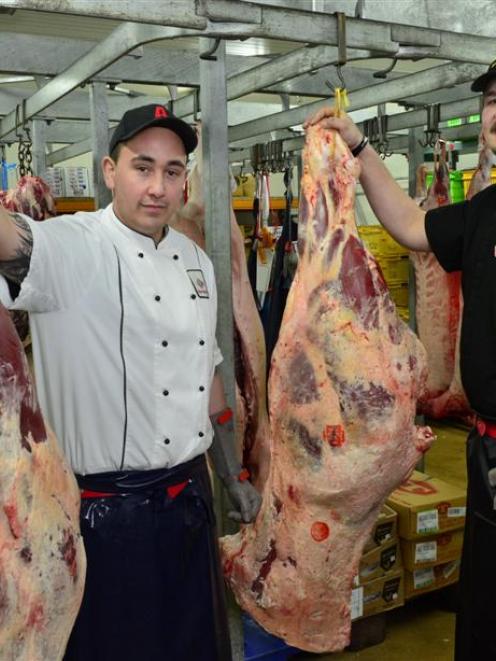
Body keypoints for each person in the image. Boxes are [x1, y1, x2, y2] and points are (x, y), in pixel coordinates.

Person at [0, 104, 262, 661]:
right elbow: (9, 240)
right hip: (102, 519)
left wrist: (232, 472)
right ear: (108, 170)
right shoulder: (71, 245)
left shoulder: (196, 261)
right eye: (142, 167)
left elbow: (205, 380)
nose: (157, 187)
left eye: (172, 171)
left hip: (190, 503)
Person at [304, 61, 496, 661]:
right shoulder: (486, 209)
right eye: (492, 101)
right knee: (487, 609)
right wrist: (359, 146)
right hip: (487, 449)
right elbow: (412, 225)